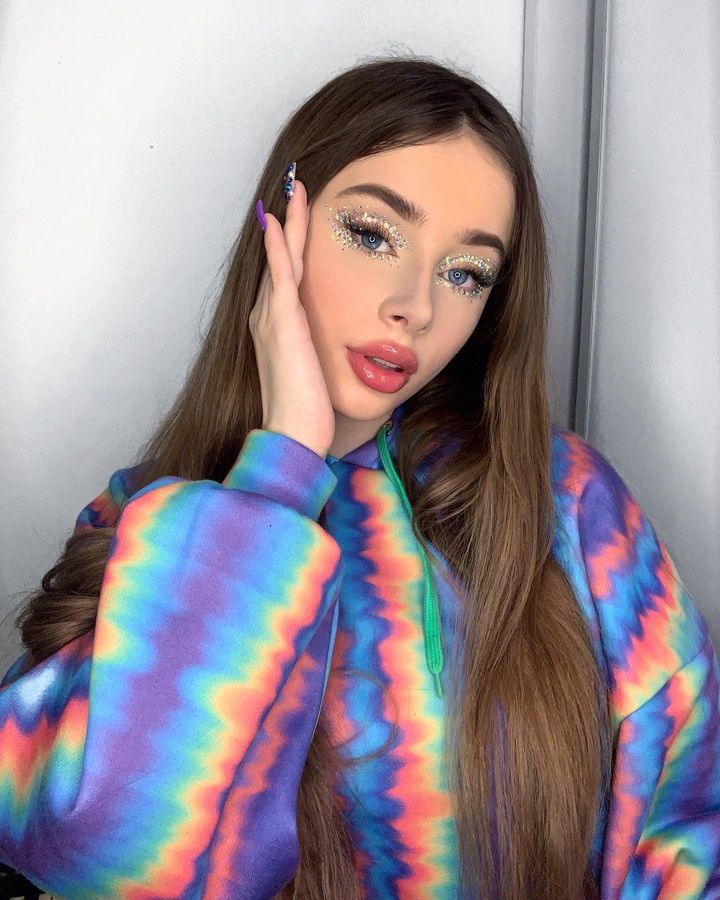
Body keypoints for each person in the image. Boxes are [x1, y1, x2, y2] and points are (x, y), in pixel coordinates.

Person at [0, 54, 718, 900]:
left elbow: (685, 835)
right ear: (282, 228)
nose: (416, 305)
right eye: (374, 234)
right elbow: (108, 855)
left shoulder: (566, 501)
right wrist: (283, 468)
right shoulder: (146, 520)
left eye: (466, 272)